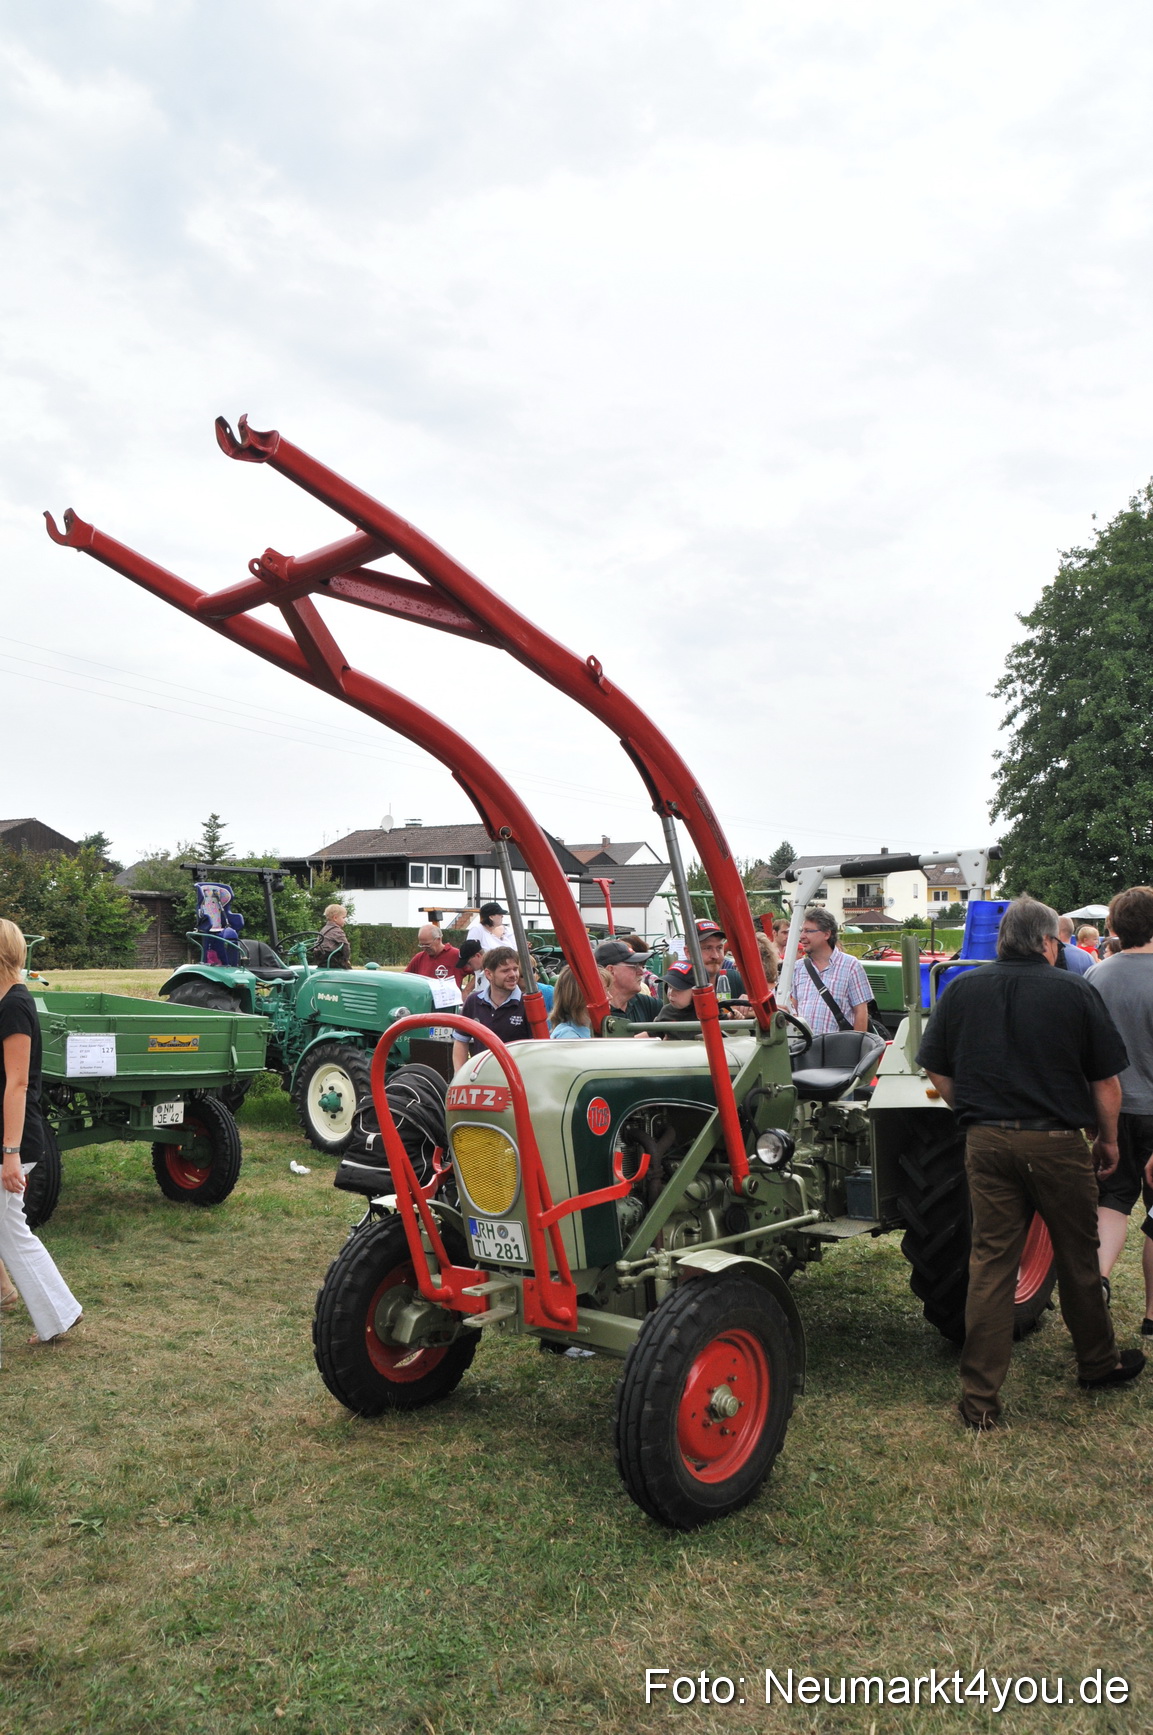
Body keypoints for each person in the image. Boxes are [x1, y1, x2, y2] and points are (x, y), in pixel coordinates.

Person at [917, 895, 1142, 1430]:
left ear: (1001, 940)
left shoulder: (962, 988)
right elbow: (1106, 1082)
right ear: (1047, 942)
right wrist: (1108, 1141)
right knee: (1078, 1257)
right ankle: (1097, 1364)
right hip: (1057, 1143)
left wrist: (971, 1112)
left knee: (991, 1265)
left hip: (986, 1141)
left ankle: (979, 1401)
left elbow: (936, 1070)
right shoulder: (1074, 990)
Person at [0, 919, 83, 1347]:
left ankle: (59, 1315)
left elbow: (18, 1083)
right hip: (9, 1135)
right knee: (8, 1228)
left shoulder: (14, 1004)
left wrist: (10, 1153)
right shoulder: (7, 999)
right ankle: (55, 1311)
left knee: (10, 1230)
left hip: (15, 1136)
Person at [1086, 888, 1153, 1330]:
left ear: (1112, 926)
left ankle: (1099, 1280)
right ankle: (1152, 1315)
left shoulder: (1095, 976)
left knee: (1111, 1201)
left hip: (1110, 1111)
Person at [790, 908, 872, 1035]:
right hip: (805, 1045)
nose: (802, 937)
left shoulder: (851, 966)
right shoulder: (798, 967)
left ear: (826, 934)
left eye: (808, 931)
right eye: (802, 931)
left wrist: (856, 1044)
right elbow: (793, 1008)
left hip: (837, 1045)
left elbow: (860, 1012)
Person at [452, 947, 532, 1070]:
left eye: (515, 969)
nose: (513, 975)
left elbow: (538, 1048)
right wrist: (460, 1074)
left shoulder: (527, 1004)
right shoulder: (474, 1001)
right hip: (482, 1076)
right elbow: (461, 1041)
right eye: (505, 971)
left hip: (516, 1078)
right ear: (489, 974)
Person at [594, 940, 660, 1023]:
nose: (641, 972)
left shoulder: (644, 1003)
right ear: (611, 971)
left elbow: (673, 1013)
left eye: (641, 966)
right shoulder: (593, 1011)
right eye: (634, 966)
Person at [695, 920, 744, 1000]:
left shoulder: (735, 980)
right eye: (707, 948)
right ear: (688, 952)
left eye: (719, 948)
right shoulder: (679, 988)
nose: (715, 956)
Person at [549, 966, 594, 1039]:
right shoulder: (568, 1035)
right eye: (604, 991)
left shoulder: (589, 1028)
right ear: (580, 996)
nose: (609, 996)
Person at [314, 904, 351, 969]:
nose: (344, 920)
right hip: (331, 959)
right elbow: (345, 946)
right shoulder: (337, 930)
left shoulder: (324, 929)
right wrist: (346, 960)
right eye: (343, 918)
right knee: (348, 969)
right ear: (335, 918)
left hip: (320, 958)